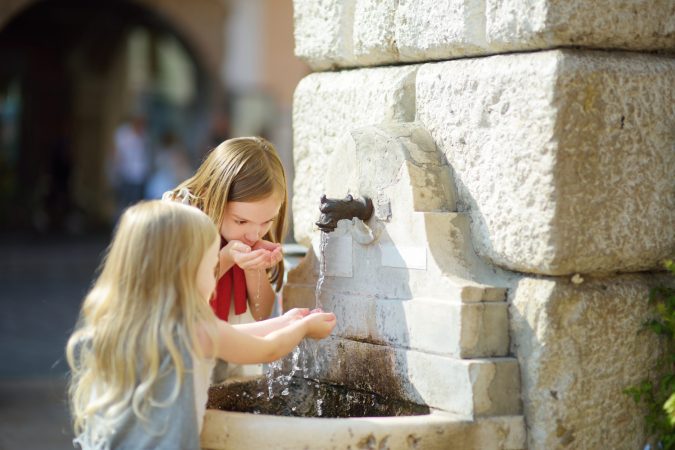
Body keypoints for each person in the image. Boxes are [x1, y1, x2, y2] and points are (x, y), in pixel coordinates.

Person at [66, 201, 336, 449]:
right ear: (185, 272)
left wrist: (284, 321)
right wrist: (303, 329)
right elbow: (266, 350)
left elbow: (229, 336)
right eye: (211, 268)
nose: (214, 279)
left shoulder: (121, 322)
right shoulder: (194, 328)